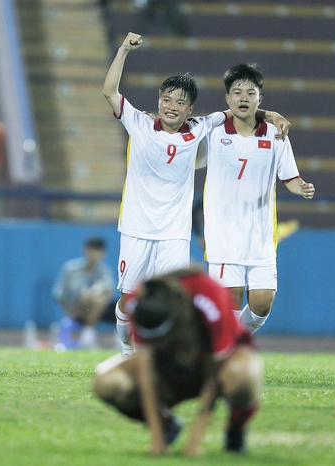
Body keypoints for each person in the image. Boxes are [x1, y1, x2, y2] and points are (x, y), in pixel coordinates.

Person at [103, 32, 290, 356]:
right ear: (158, 101)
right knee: (130, 299)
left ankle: (165, 353)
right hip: (136, 227)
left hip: (174, 234)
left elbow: (239, 109)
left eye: (179, 102)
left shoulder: (201, 127)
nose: (171, 107)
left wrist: (269, 114)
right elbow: (109, 91)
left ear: (190, 109)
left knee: (173, 298)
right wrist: (122, 50)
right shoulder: (139, 123)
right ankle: (125, 345)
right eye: (166, 100)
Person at [94, 268, 263, 455]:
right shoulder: (140, 301)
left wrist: (194, 441)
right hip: (170, 368)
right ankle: (167, 425)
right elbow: (145, 370)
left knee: (243, 375)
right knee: (106, 382)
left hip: (217, 367)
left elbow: (214, 371)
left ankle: (236, 428)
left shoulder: (210, 294)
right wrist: (157, 439)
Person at [200, 63, 315, 334]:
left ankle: (227, 341)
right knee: (227, 303)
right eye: (237, 93)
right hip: (223, 235)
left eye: (250, 93)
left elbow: (290, 178)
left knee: (262, 305)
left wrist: (303, 187)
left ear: (259, 99)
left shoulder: (276, 135)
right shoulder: (212, 133)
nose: (244, 98)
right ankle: (226, 354)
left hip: (260, 236)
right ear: (227, 99)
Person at [52, 237, 116, 349]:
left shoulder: (104, 271)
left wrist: (94, 292)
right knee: (92, 298)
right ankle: (88, 333)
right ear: (86, 250)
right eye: (92, 251)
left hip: (97, 308)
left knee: (98, 298)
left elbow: (109, 288)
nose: (95, 255)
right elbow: (58, 293)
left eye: (98, 251)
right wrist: (70, 310)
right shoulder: (71, 269)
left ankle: (88, 331)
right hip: (74, 308)